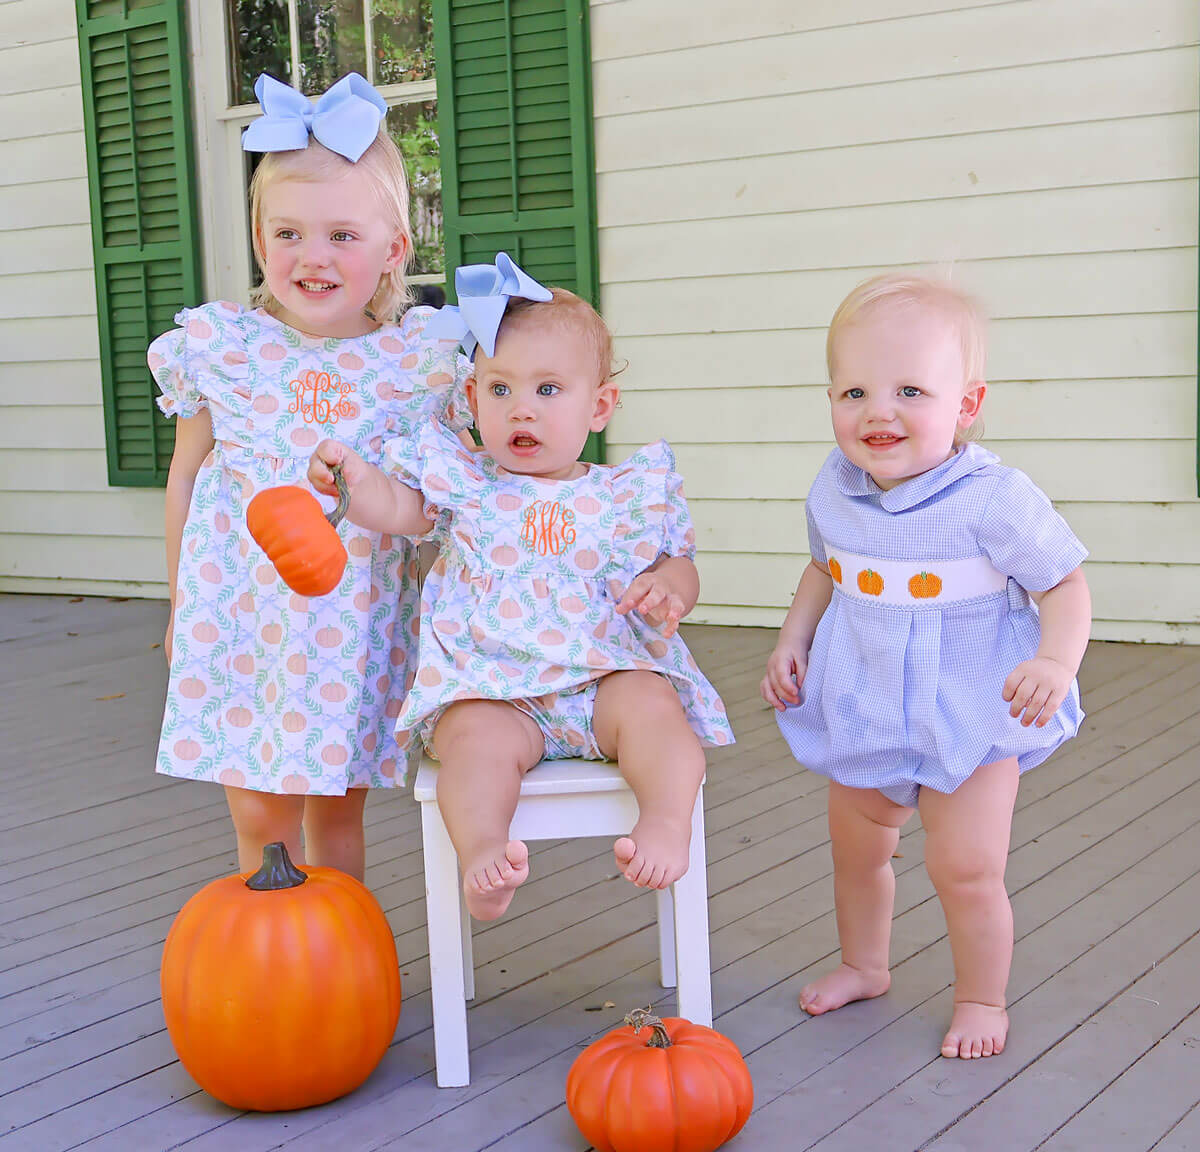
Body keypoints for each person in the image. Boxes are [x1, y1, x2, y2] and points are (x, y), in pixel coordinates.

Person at [308, 254, 734, 919]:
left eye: (547, 390)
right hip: (493, 689)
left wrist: (667, 587)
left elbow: (680, 561)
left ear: (599, 406)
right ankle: (484, 852)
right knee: (472, 748)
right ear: (473, 399)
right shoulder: (466, 481)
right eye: (500, 389)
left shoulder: (626, 493)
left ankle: (666, 821)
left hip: (603, 680)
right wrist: (354, 481)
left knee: (657, 711)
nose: (521, 410)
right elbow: (396, 509)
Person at [761, 272, 1091, 1060]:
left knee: (966, 865)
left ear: (966, 406)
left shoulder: (994, 499)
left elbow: (1065, 583)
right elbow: (823, 570)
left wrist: (1055, 657)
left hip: (971, 705)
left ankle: (982, 996)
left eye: (911, 389)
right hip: (868, 697)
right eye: (854, 391)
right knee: (858, 847)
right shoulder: (835, 490)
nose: (879, 412)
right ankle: (863, 963)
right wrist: (793, 638)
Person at [149, 73, 470, 879]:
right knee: (261, 821)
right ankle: (271, 980)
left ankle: (336, 975)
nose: (312, 257)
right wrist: (181, 600)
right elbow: (187, 475)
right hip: (240, 624)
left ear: (394, 249)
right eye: (288, 233)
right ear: (261, 240)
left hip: (351, 634)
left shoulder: (415, 363)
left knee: (337, 815)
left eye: (341, 236)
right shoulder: (221, 348)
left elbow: (440, 505)